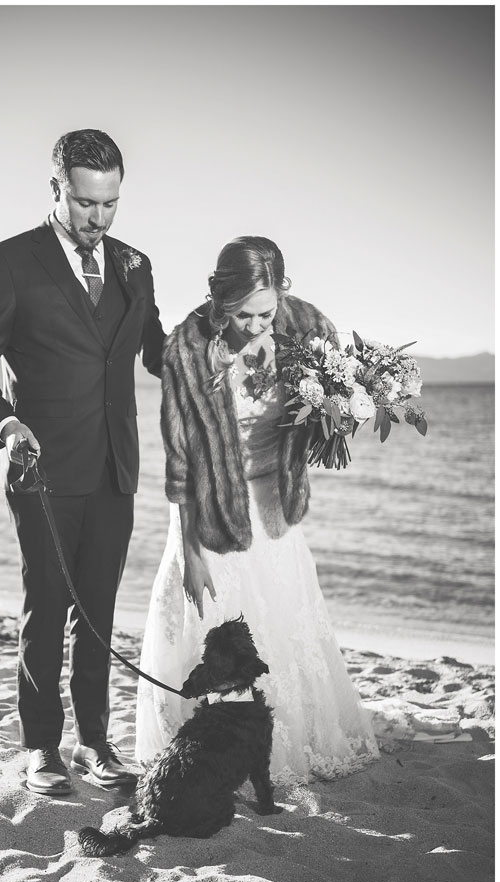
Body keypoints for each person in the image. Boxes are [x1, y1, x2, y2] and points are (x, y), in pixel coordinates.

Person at [0, 129, 165, 795]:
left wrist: (221, 346)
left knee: (98, 612)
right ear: (56, 189)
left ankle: (95, 742)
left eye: (110, 204)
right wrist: (4, 422)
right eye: (84, 203)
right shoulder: (11, 261)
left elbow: (157, 352)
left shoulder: (135, 265)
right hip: (39, 466)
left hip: (114, 466)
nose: (98, 218)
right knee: (46, 608)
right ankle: (41, 747)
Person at [135, 236, 380, 784]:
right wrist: (190, 554)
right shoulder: (188, 349)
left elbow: (333, 401)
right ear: (219, 299)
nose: (253, 325)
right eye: (240, 314)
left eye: (264, 313)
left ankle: (286, 736)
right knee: (206, 625)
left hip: (272, 506)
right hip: (211, 509)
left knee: (287, 620)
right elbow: (181, 461)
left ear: (282, 294)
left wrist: (337, 415)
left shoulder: (308, 329)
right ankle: (202, 747)